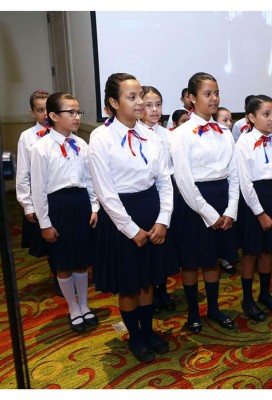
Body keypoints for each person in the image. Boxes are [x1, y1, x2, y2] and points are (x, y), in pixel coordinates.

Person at [89, 73, 172, 363]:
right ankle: (135, 337)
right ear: (113, 102)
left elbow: (164, 181)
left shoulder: (151, 135)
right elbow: (105, 191)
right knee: (129, 283)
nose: (140, 103)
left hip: (150, 209)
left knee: (148, 280)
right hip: (121, 216)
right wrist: (131, 229)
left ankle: (148, 331)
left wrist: (163, 220)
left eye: (140, 96)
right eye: (132, 97)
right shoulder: (100, 137)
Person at [170, 72, 239, 333]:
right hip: (194, 204)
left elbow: (234, 173)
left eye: (216, 93)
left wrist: (231, 208)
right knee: (191, 260)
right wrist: (209, 214)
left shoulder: (224, 131)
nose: (214, 98)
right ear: (191, 98)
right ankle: (192, 313)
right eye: (207, 94)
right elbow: (184, 180)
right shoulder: (180, 134)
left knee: (212, 258)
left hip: (221, 197)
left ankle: (213, 308)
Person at [30, 92, 99, 333]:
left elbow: (90, 179)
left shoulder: (81, 144)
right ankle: (72, 308)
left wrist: (94, 206)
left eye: (78, 112)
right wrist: (45, 223)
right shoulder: (41, 148)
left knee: (82, 261)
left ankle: (84, 304)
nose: (77, 117)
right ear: (53, 116)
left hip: (80, 204)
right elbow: (38, 189)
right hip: (57, 206)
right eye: (71, 112)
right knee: (63, 263)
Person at [235, 95, 272, 322]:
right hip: (253, 203)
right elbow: (245, 183)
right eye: (265, 114)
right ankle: (247, 299)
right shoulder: (244, 143)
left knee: (268, 250)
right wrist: (260, 213)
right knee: (251, 253)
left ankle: (265, 294)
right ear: (251, 117)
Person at [15, 90, 63, 295]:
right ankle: (58, 276)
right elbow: (23, 173)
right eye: (39, 110)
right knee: (50, 241)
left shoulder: (63, 133)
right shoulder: (27, 138)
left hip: (61, 198)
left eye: (47, 109)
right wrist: (28, 204)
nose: (44, 114)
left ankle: (68, 273)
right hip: (40, 198)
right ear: (32, 112)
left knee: (65, 238)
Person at [139, 85, 180, 314]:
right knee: (150, 244)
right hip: (148, 194)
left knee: (164, 246)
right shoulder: (137, 134)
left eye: (158, 105)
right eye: (148, 105)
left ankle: (162, 289)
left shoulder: (168, 135)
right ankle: (150, 293)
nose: (155, 110)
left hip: (168, 191)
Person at [214, 106, 238, 276]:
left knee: (225, 229)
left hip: (225, 189)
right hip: (207, 192)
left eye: (231, 120)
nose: (229, 124)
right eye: (224, 120)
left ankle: (224, 258)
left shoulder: (228, 138)